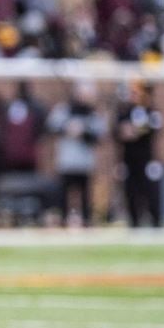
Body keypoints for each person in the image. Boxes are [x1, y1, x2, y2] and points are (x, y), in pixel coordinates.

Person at [46, 81, 106, 226]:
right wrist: (67, 128)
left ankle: (86, 220)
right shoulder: (65, 110)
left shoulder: (93, 114)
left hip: (84, 162)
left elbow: (99, 135)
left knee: (85, 194)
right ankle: (63, 220)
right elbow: (51, 126)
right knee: (63, 195)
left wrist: (83, 132)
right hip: (66, 161)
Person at [114, 80, 164, 227]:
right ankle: (134, 224)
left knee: (151, 193)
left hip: (147, 160)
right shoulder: (124, 112)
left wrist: (135, 130)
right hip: (129, 160)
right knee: (131, 194)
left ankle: (156, 224)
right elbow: (117, 132)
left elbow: (153, 127)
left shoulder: (152, 111)